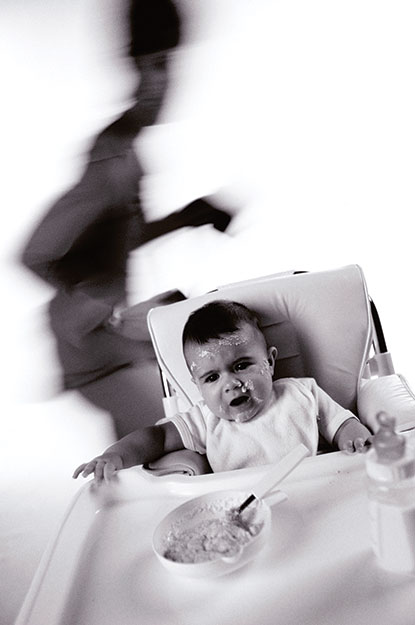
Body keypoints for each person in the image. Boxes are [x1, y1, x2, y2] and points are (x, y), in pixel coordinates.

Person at [21, 0, 232, 438]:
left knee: (149, 450)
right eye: (155, 65)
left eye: (170, 65)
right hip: (93, 349)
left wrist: (187, 217)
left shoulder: (127, 154)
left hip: (110, 338)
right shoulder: (111, 160)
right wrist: (88, 299)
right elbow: (34, 254)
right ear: (133, 68)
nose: (165, 82)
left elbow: (120, 237)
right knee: (184, 430)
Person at [73, 299, 372, 481]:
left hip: (316, 487)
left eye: (242, 366)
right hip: (244, 505)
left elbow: (341, 423)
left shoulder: (302, 392)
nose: (230, 383)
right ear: (198, 387)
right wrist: (115, 456)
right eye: (212, 378)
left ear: (269, 362)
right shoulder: (204, 420)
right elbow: (157, 437)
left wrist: (354, 439)